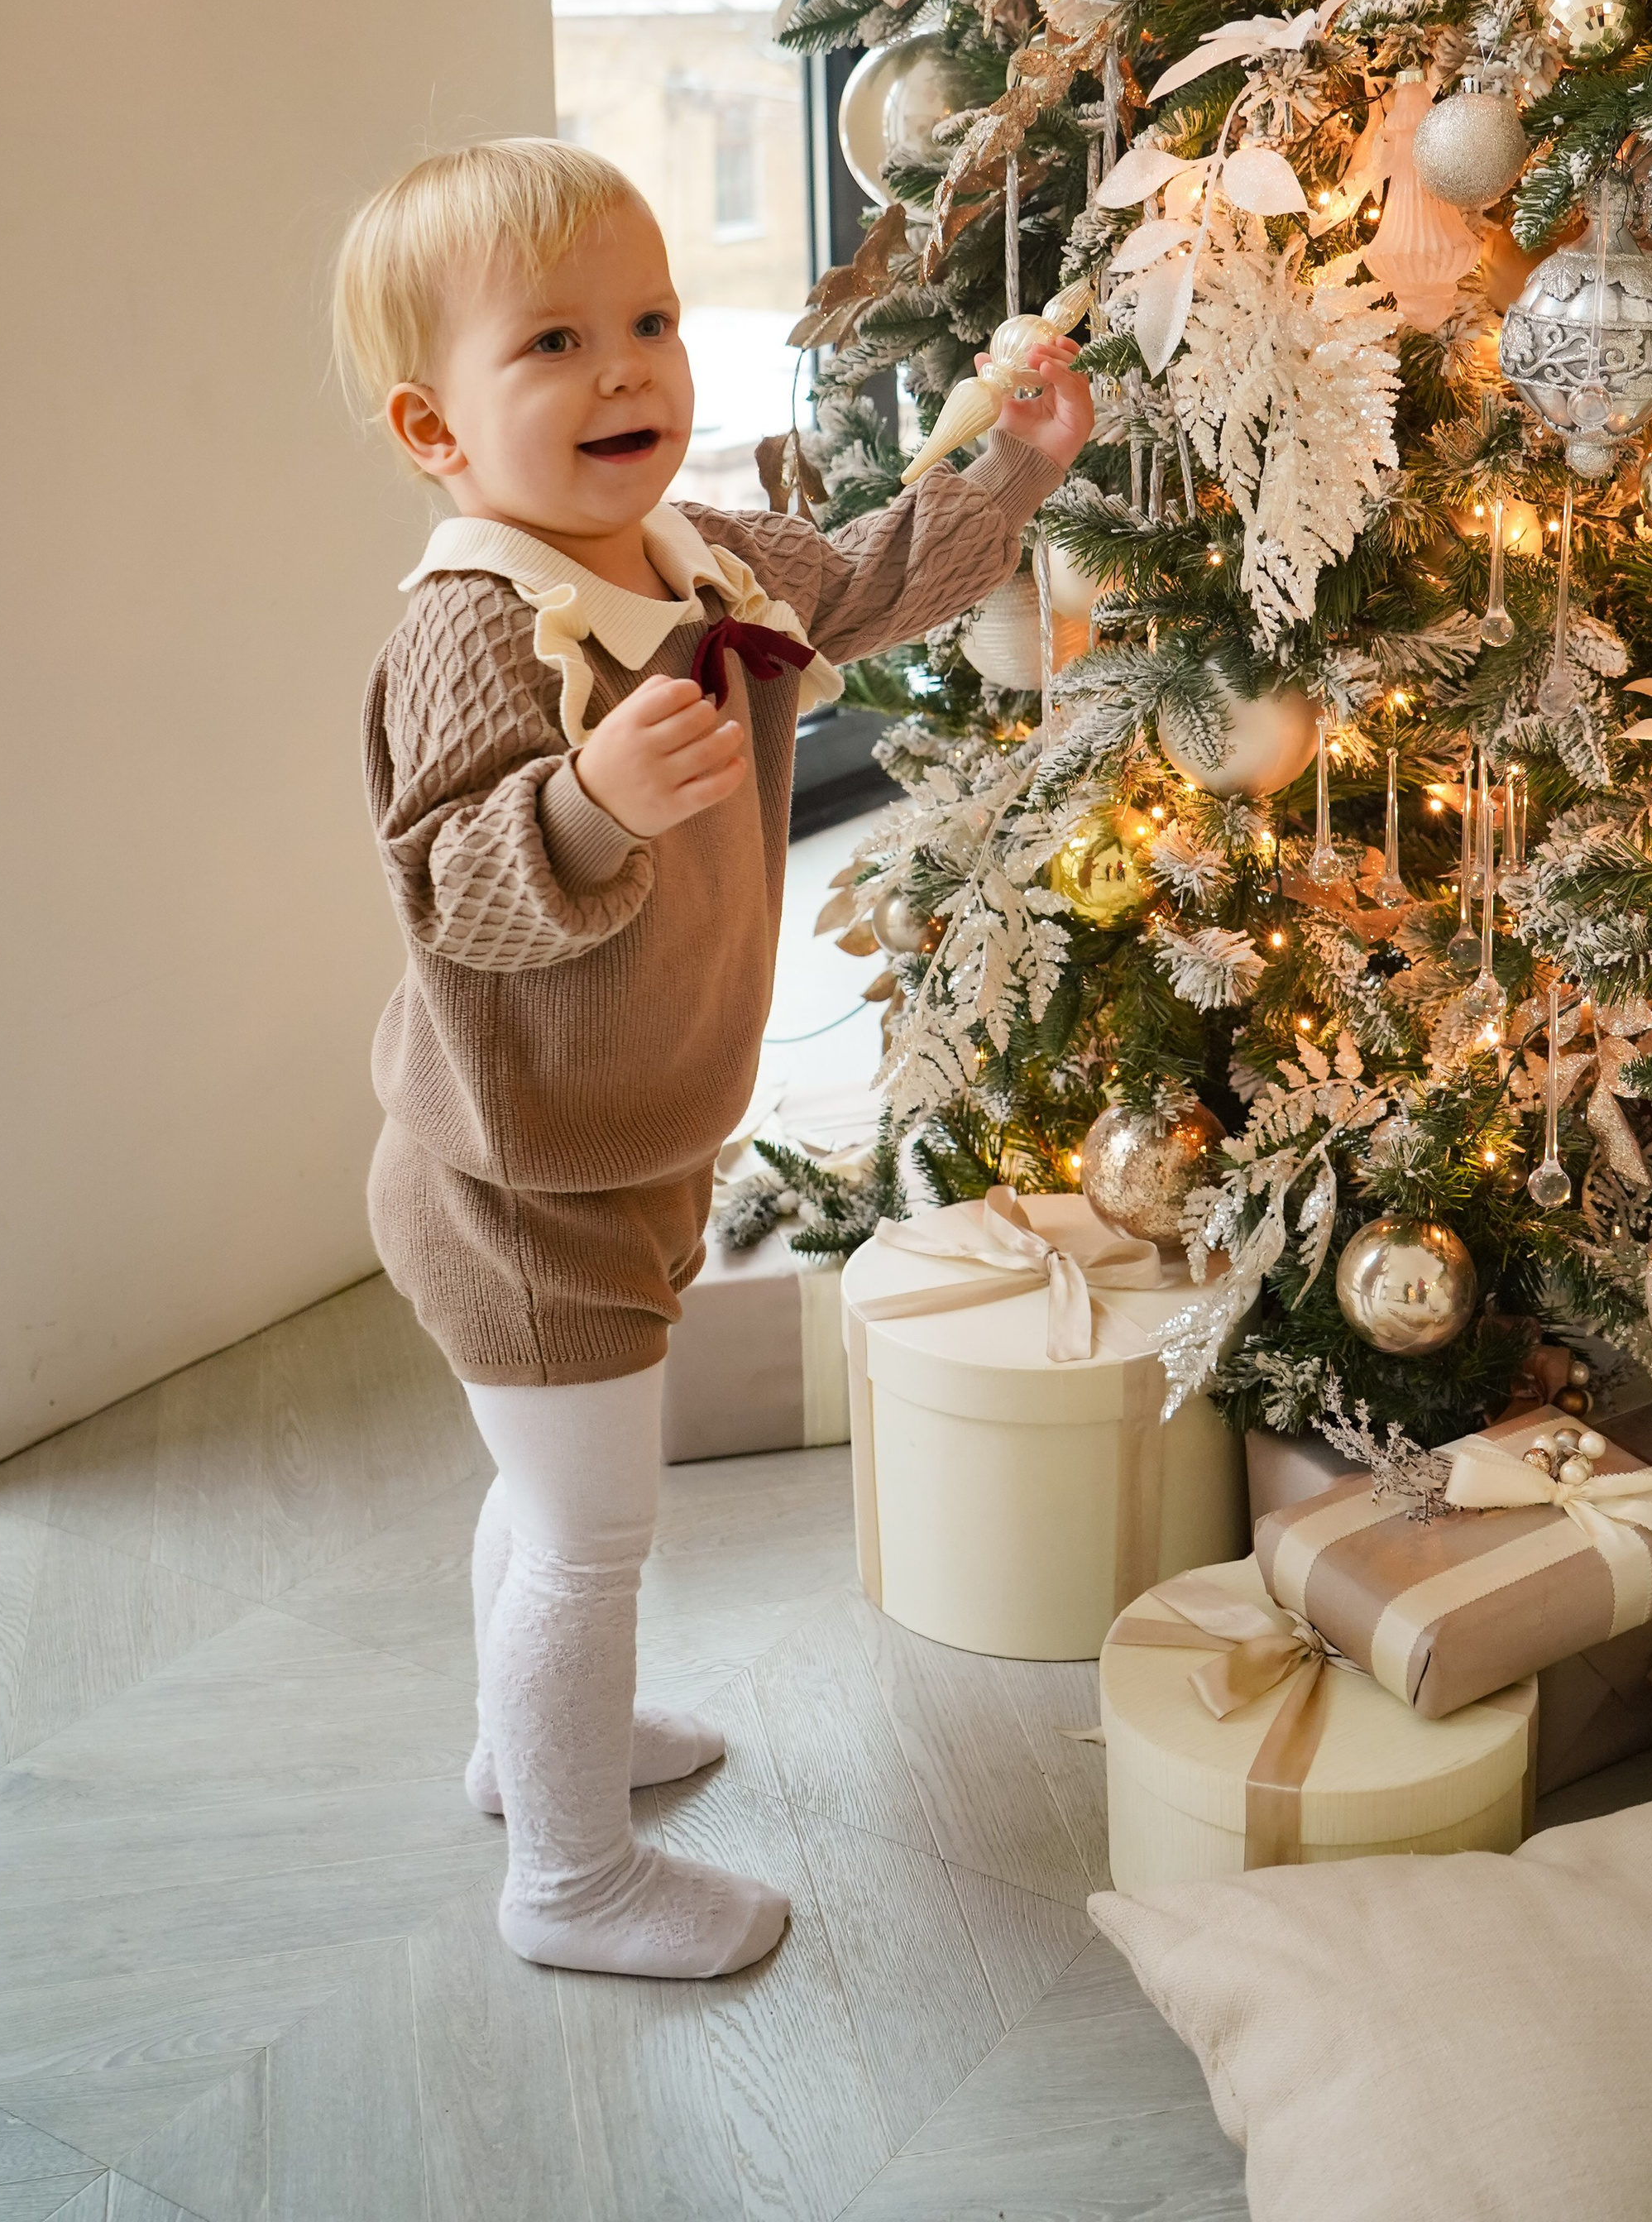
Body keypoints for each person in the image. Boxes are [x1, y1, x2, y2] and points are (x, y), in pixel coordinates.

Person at [330, 137, 1089, 1979]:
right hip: (519, 1182)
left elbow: (863, 584)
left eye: (652, 322)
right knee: (591, 1534)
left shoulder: (703, 558)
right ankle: (571, 1882)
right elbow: (453, 884)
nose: (628, 372)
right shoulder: (476, 631)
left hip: (629, 1135)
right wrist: (585, 806)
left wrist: (1019, 466)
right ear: (435, 431)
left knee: (550, 1504)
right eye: (558, 343)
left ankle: (538, 1764)